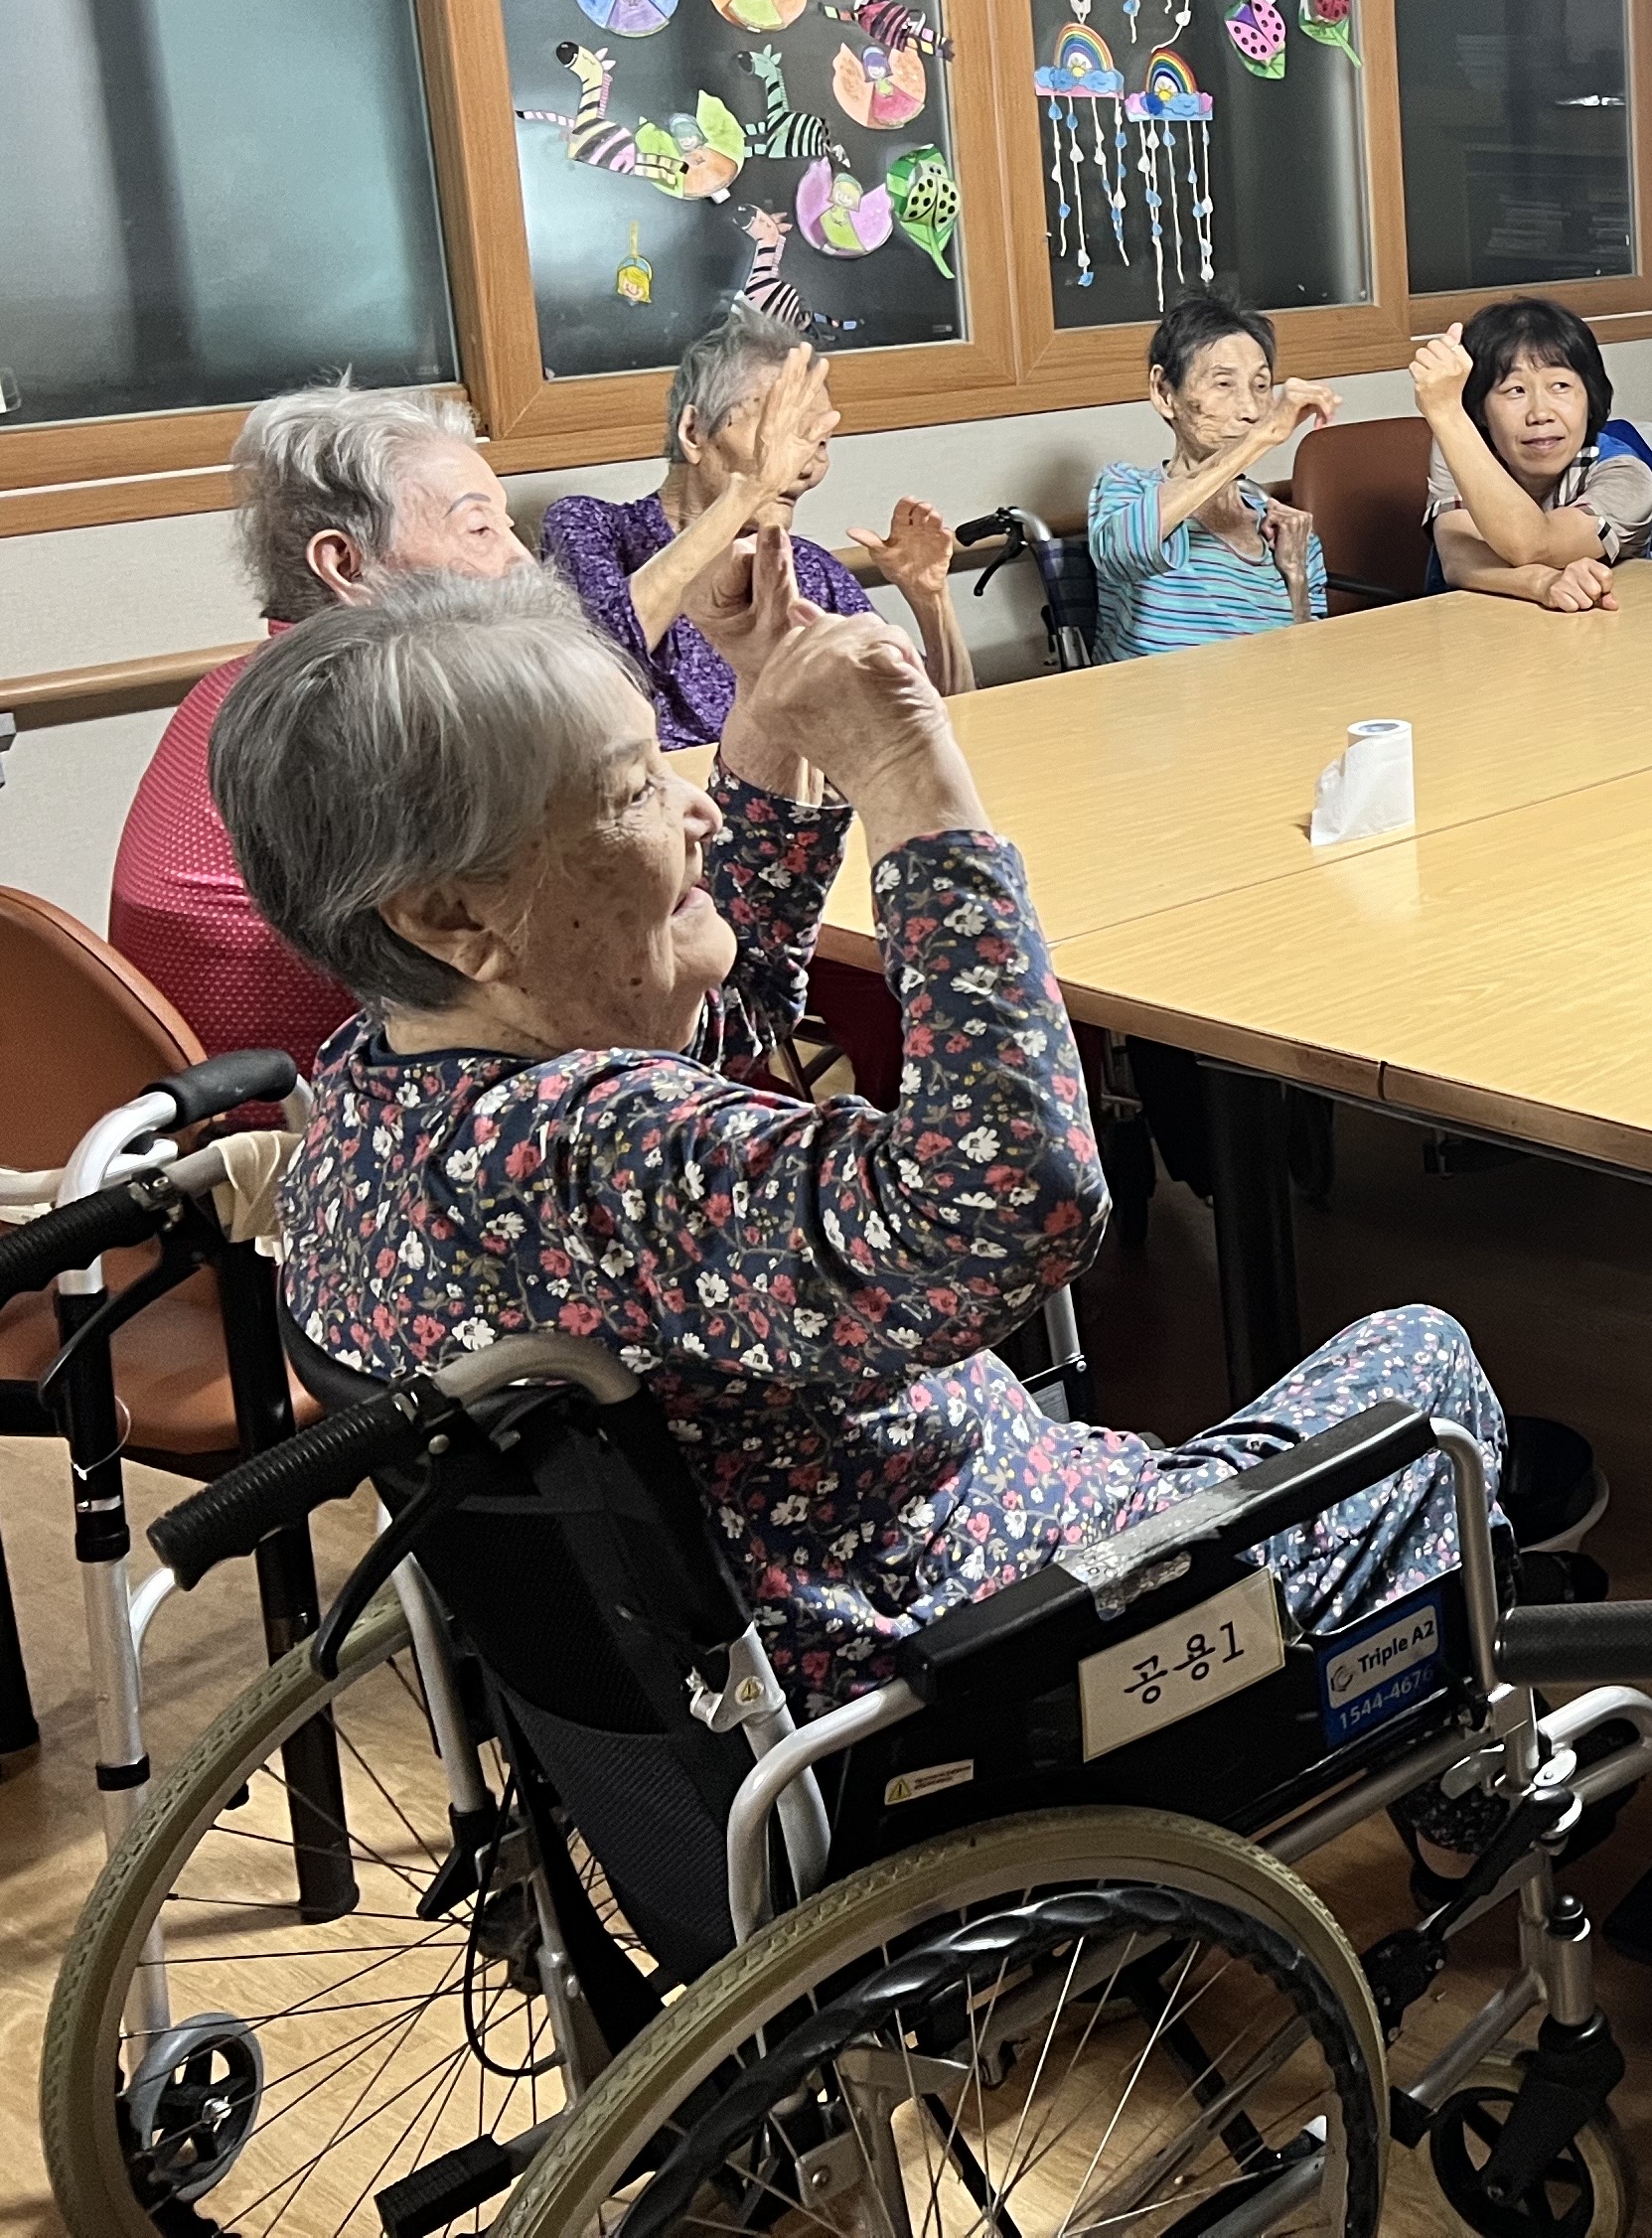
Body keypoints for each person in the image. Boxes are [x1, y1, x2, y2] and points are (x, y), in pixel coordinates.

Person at [215, 554, 1501, 1716]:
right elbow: (1016, 1202)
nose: (696, 813)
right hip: (983, 1648)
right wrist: (910, 783)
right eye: (633, 792)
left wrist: (765, 724)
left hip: (740, 1669)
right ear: (451, 915)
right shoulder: (605, 1155)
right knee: (1422, 1369)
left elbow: (690, 1026)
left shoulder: (383, 1101)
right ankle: (1462, 1819)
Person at [109, 381, 529, 1068]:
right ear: (346, 565)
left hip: (183, 1096)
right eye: (479, 530)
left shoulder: (239, 684)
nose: (520, 559)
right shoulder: (373, 715)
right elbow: (536, 944)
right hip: (299, 1108)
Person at [537, 306, 976, 745]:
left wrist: (930, 600)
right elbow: (603, 661)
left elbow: (930, 734)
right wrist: (751, 488)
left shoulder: (807, 570)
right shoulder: (589, 526)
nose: (805, 466)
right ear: (694, 432)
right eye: (784, 437)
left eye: (820, 443)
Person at [1088, 293, 1338, 659]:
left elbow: (1305, 660)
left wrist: (1295, 575)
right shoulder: (1127, 489)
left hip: (1265, 692)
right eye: (1224, 384)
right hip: (1158, 695)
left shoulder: (1283, 526)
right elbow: (1124, 550)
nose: (1251, 409)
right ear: (1164, 392)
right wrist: (1259, 439)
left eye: (1261, 385)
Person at [1420, 297, 1639, 611]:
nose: (1540, 414)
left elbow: (1533, 545)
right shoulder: (1460, 445)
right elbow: (1458, 560)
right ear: (1480, 411)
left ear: (1591, 398)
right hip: (1470, 629)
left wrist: (1445, 411)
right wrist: (1542, 583)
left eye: (1560, 386)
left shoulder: (1626, 476)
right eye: (1515, 390)